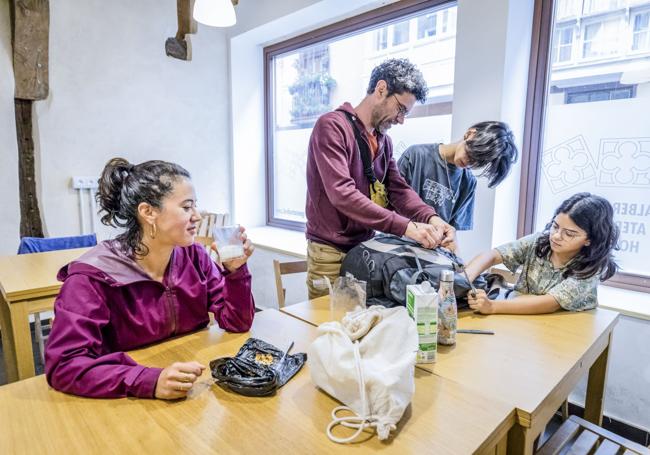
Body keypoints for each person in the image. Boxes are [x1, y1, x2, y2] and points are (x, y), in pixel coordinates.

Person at [45, 158, 256, 399]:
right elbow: (64, 365)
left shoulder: (195, 256)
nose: (197, 216)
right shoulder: (91, 278)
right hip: (122, 404)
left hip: (190, 387)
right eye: (187, 207)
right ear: (148, 212)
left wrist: (236, 272)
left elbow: (237, 322)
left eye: (195, 206)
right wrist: (148, 380)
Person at [306, 58, 456, 298]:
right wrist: (406, 227)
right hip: (330, 253)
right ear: (381, 89)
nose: (401, 120)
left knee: (362, 325)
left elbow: (399, 190)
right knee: (328, 328)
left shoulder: (383, 142)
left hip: (365, 251)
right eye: (401, 109)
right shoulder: (332, 127)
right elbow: (342, 194)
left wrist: (432, 218)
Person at [464, 193, 619, 315]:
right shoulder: (539, 242)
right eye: (555, 226)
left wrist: (492, 307)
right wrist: (465, 278)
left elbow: (550, 303)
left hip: (563, 330)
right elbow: (493, 255)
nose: (557, 236)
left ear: (590, 240)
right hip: (521, 319)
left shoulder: (591, 269)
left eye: (569, 234)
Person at [397, 121, 518, 230]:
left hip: (431, 249)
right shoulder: (416, 155)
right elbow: (391, 203)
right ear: (470, 134)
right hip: (399, 238)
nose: (470, 162)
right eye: (471, 155)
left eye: (478, 162)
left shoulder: (468, 182)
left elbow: (452, 230)